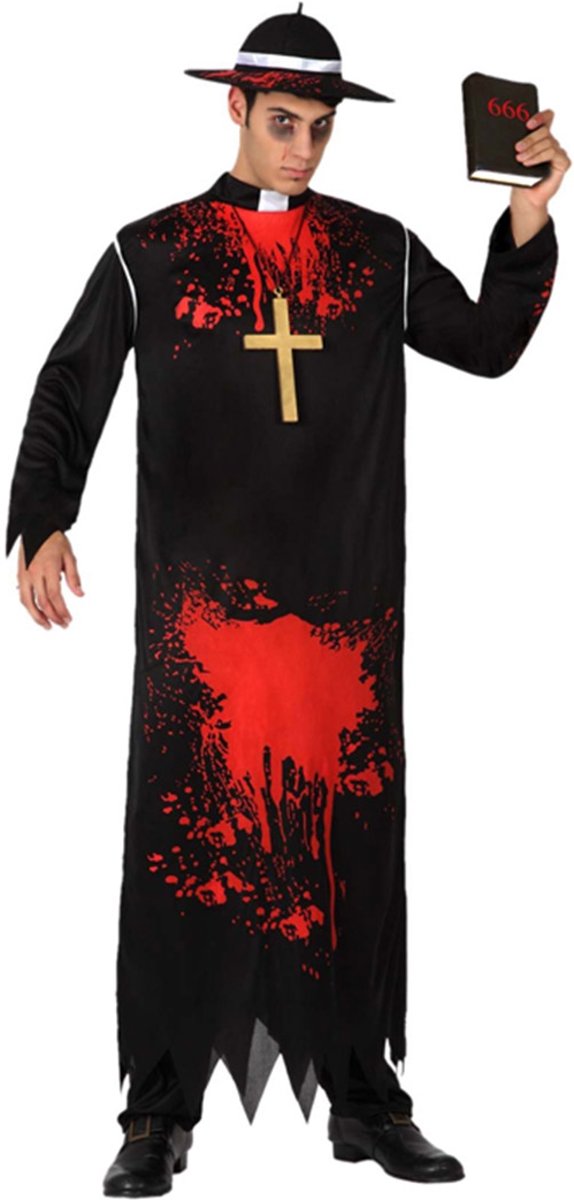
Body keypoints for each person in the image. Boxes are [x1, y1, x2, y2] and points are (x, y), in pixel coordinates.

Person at [6, 4, 569, 1194]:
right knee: (182, 849)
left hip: (342, 625)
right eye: (281, 124)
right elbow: (69, 383)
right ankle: (157, 1114)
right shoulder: (151, 251)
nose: (303, 149)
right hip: (200, 634)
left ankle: (364, 1101)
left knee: (348, 846)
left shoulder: (376, 251)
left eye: (319, 127)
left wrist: (527, 214)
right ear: (236, 108)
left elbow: (485, 343)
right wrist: (44, 515)